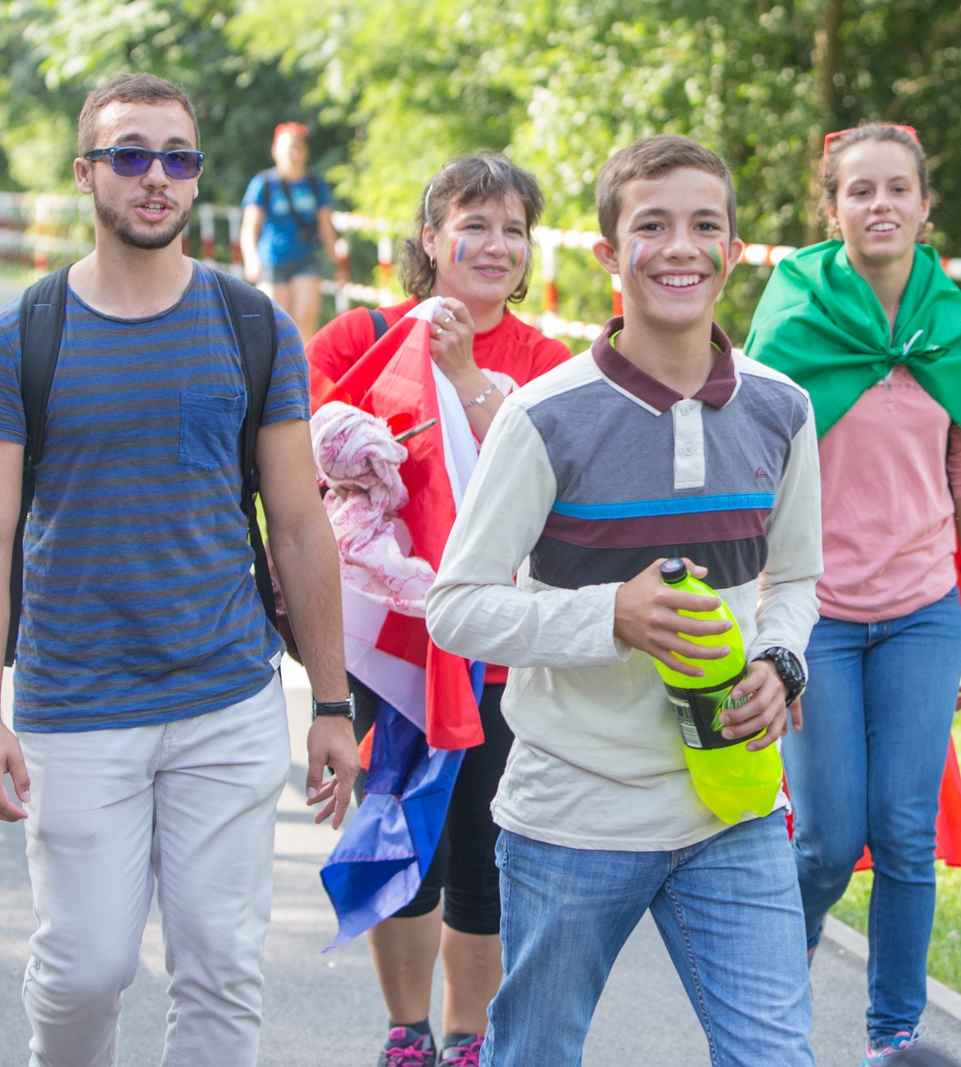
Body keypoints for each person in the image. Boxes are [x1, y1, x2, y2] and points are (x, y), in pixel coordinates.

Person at [0, 73, 358, 1066]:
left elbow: (300, 524)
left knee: (223, 966)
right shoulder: (17, 339)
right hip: (74, 700)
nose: (156, 177)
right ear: (87, 171)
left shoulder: (253, 326)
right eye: (130, 154)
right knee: (84, 967)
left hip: (224, 694)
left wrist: (333, 704)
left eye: (177, 157)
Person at [425, 134, 823, 1067]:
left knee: (775, 1056)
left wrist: (781, 658)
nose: (679, 247)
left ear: (732, 252)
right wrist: (610, 617)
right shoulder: (544, 415)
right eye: (652, 225)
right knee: (533, 1054)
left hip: (733, 811)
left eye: (703, 226)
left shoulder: (782, 407)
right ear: (609, 253)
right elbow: (456, 605)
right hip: (574, 812)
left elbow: (797, 579)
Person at [744, 123, 961, 1065]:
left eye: (898, 189)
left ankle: (894, 1035)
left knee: (904, 830)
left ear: (926, 206)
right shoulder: (795, 315)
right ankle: (768, 982)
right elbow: (752, 465)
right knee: (824, 837)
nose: (881, 205)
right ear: (832, 209)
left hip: (923, 610)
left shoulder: (956, 323)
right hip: (812, 610)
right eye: (860, 191)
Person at [308, 152, 572, 1067]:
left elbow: (554, 489)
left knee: (487, 853)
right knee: (398, 832)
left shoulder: (546, 360)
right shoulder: (361, 336)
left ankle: (470, 1039)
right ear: (430, 238)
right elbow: (304, 458)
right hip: (387, 646)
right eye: (475, 224)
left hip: (500, 646)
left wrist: (465, 383)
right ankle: (405, 1031)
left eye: (513, 229)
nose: (495, 245)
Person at [241, 122, 343, 344]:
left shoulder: (315, 184)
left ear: (305, 151)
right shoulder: (264, 184)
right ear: (275, 151)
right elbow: (250, 228)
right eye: (287, 148)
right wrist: (251, 260)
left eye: (297, 147)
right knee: (273, 325)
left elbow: (326, 226)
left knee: (304, 323)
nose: (293, 154)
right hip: (272, 260)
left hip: (305, 259)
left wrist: (338, 263)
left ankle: (302, 373)